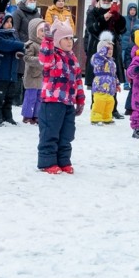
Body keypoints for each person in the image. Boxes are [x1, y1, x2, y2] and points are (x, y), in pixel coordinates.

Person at [37, 20, 85, 174]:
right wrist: (48, 40)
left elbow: (78, 80)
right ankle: (47, 162)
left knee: (67, 134)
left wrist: (80, 100)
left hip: (68, 102)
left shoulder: (73, 59)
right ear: (57, 40)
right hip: (52, 102)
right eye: (66, 38)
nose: (69, 41)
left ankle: (63, 161)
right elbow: (44, 58)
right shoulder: (53, 56)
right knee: (50, 133)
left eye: (71, 38)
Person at [84, 0, 126, 118]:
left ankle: (112, 108)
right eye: (104, 0)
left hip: (113, 50)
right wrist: (103, 18)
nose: (106, 2)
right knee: (97, 79)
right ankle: (95, 106)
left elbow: (122, 29)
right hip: (96, 49)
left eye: (109, 0)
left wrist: (117, 17)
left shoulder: (115, 14)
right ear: (99, 1)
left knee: (112, 78)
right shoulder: (92, 13)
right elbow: (91, 28)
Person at [0, 14, 26, 126]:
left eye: (10, 22)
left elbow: (18, 48)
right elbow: (8, 45)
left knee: (9, 97)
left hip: (12, 71)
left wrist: (21, 50)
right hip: (1, 72)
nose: (9, 24)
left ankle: (8, 116)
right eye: (6, 22)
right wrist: (21, 45)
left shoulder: (13, 35)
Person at [12, 0, 42, 105]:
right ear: (25, 1)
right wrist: (20, 44)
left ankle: (29, 96)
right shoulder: (18, 13)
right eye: (30, 0)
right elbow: (14, 30)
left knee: (32, 71)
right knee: (20, 72)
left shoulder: (37, 13)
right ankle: (17, 98)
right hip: (23, 45)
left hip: (36, 46)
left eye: (34, 0)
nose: (33, 2)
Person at [90, 31, 119, 125]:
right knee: (100, 102)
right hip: (100, 85)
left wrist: (117, 84)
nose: (110, 51)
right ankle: (96, 117)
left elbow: (114, 74)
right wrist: (104, 49)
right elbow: (97, 59)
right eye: (108, 49)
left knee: (110, 102)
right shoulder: (97, 58)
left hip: (110, 87)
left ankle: (107, 117)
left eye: (111, 49)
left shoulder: (112, 62)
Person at [22, 18, 46, 125]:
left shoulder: (46, 45)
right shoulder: (30, 44)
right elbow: (27, 58)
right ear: (34, 32)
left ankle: (36, 115)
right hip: (32, 76)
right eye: (41, 30)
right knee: (30, 97)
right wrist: (40, 59)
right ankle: (27, 115)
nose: (44, 33)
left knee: (40, 97)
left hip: (42, 76)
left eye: (46, 30)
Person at [121, 2, 139, 94]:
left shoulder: (138, 21)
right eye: (131, 9)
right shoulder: (124, 19)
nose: (132, 11)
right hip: (124, 46)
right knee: (124, 65)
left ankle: (132, 81)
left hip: (134, 47)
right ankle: (126, 83)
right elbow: (120, 31)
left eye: (134, 10)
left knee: (132, 65)